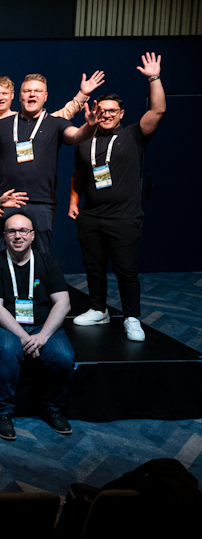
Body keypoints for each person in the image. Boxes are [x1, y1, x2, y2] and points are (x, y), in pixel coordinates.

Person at [69, 53, 165, 341]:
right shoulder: (85, 139)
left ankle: (132, 317)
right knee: (94, 268)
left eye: (113, 111)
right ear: (96, 111)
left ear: (121, 113)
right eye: (103, 110)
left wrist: (154, 78)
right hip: (91, 217)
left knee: (126, 271)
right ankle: (99, 310)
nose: (107, 114)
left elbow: (158, 110)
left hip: (124, 218)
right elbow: (79, 175)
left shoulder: (134, 135)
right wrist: (74, 201)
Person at [0, 72, 103, 265]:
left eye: (37, 91)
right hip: (7, 202)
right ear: (19, 95)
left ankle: (37, 295)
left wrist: (90, 127)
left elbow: (76, 136)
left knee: (39, 259)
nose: (32, 94)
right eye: (27, 91)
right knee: (4, 259)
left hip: (42, 203)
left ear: (45, 96)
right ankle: (7, 295)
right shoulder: (2, 125)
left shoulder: (55, 123)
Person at [0, 212, 75, 440]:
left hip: (42, 326)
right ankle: (2, 413)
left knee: (64, 356)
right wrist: (24, 337)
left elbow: (63, 304)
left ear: (33, 235)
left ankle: (52, 408)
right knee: (6, 351)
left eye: (23, 230)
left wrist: (42, 336)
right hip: (5, 326)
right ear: (4, 236)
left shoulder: (48, 262)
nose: (17, 236)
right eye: (12, 231)